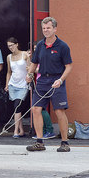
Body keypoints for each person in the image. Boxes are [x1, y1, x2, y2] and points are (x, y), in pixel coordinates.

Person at [26, 17, 73, 153]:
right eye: (44, 28)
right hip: (42, 81)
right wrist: (29, 74)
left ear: (55, 29)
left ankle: (65, 142)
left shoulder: (63, 46)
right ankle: (39, 142)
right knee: (36, 109)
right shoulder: (40, 45)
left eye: (48, 28)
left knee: (59, 111)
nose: (46, 30)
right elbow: (34, 63)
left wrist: (61, 80)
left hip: (57, 81)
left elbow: (69, 66)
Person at [4, 37, 30, 138]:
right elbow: (9, 72)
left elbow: (30, 68)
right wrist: (7, 84)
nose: (10, 47)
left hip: (23, 85)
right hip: (13, 84)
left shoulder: (24, 54)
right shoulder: (9, 57)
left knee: (17, 106)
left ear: (17, 44)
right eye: (9, 46)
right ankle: (21, 130)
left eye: (12, 45)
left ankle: (15, 131)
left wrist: (29, 78)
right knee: (16, 109)